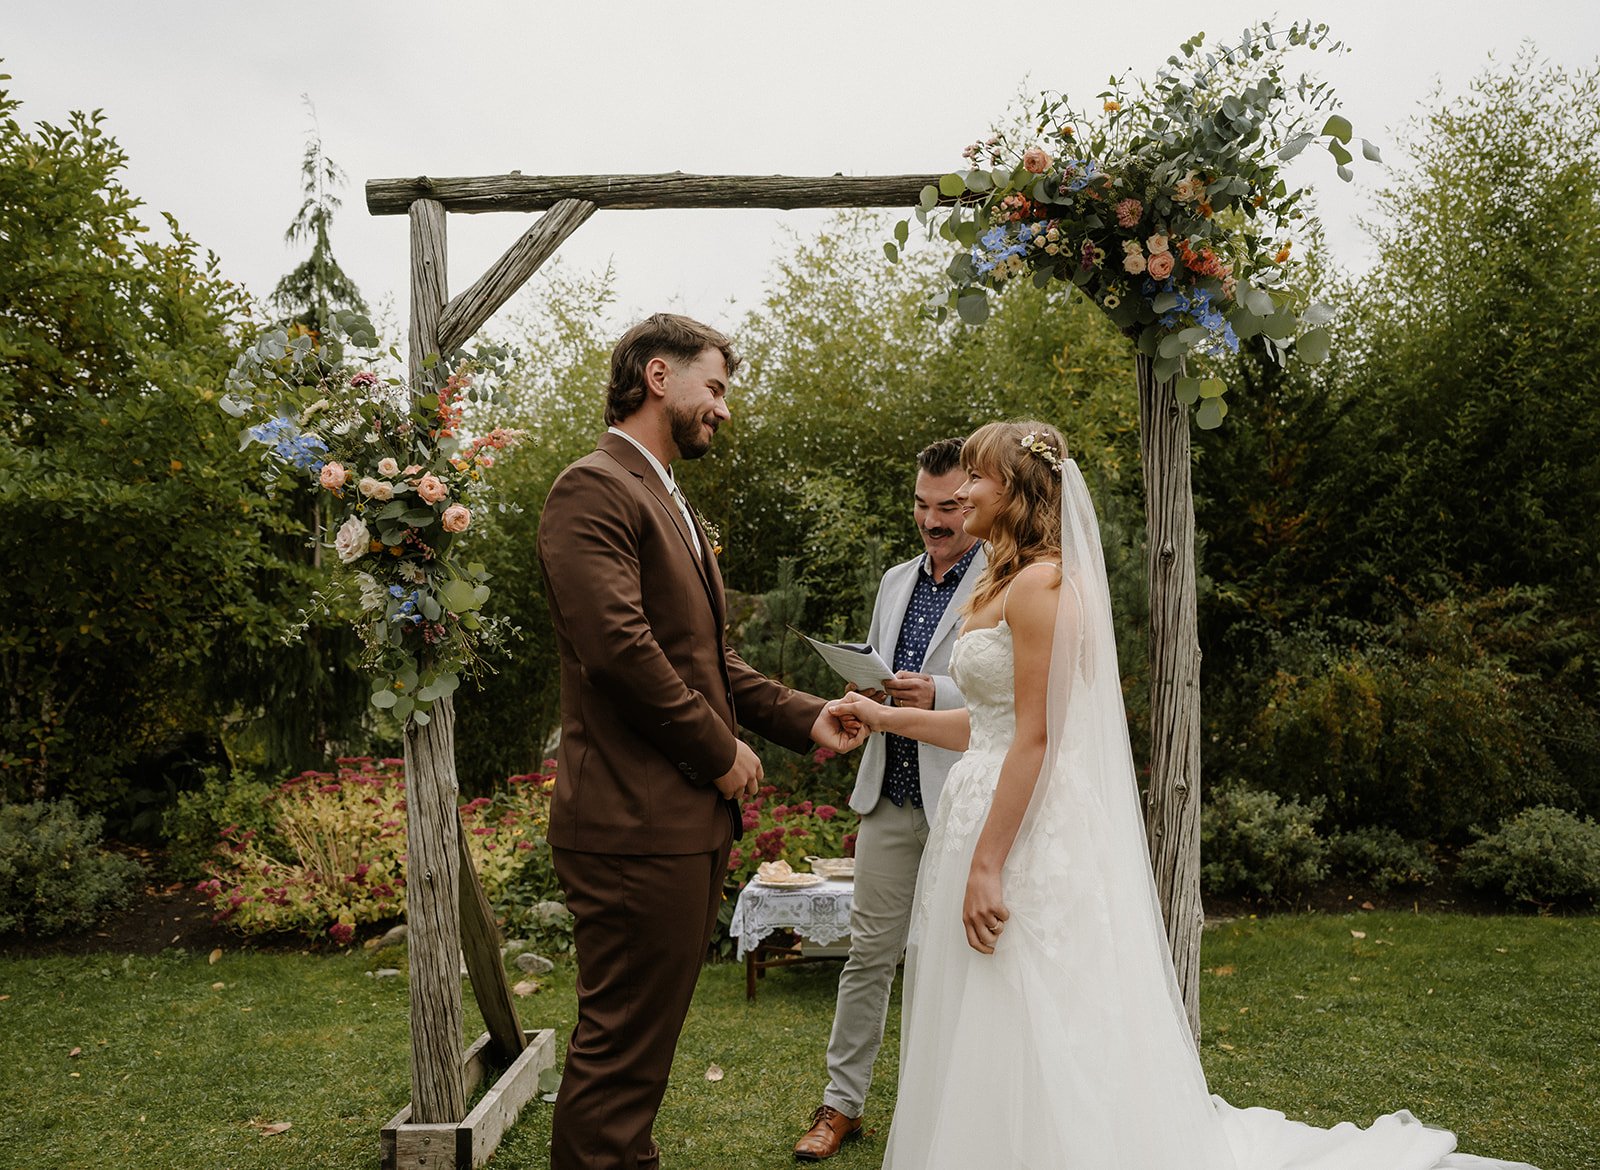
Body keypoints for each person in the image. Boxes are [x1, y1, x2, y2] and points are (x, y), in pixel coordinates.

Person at [829, 420, 1538, 1170]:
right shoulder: (1002, 581)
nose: (960, 491)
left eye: (975, 477)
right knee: (978, 1003)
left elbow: (1035, 738)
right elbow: (987, 724)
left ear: (1015, 490)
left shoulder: (1042, 584)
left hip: (1023, 830)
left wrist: (987, 865)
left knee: (1025, 1003)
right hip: (983, 807)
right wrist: (883, 716)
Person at [537, 313, 864, 1170]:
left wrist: (803, 715)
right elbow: (619, 650)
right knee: (618, 1059)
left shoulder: (667, 498)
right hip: (630, 826)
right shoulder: (593, 488)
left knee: (636, 1059)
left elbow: (709, 659)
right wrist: (719, 754)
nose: (722, 408)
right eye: (713, 387)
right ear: (657, 376)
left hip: (668, 829)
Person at [794, 438, 987, 1161]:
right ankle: (840, 1106)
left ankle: (958, 1108)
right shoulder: (894, 579)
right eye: (921, 505)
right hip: (888, 795)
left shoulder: (1005, 576)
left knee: (964, 961)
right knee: (867, 956)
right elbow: (882, 670)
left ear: (972, 501)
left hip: (962, 798)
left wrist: (933, 691)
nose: (932, 522)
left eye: (947, 507)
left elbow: (1014, 690)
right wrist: (864, 691)